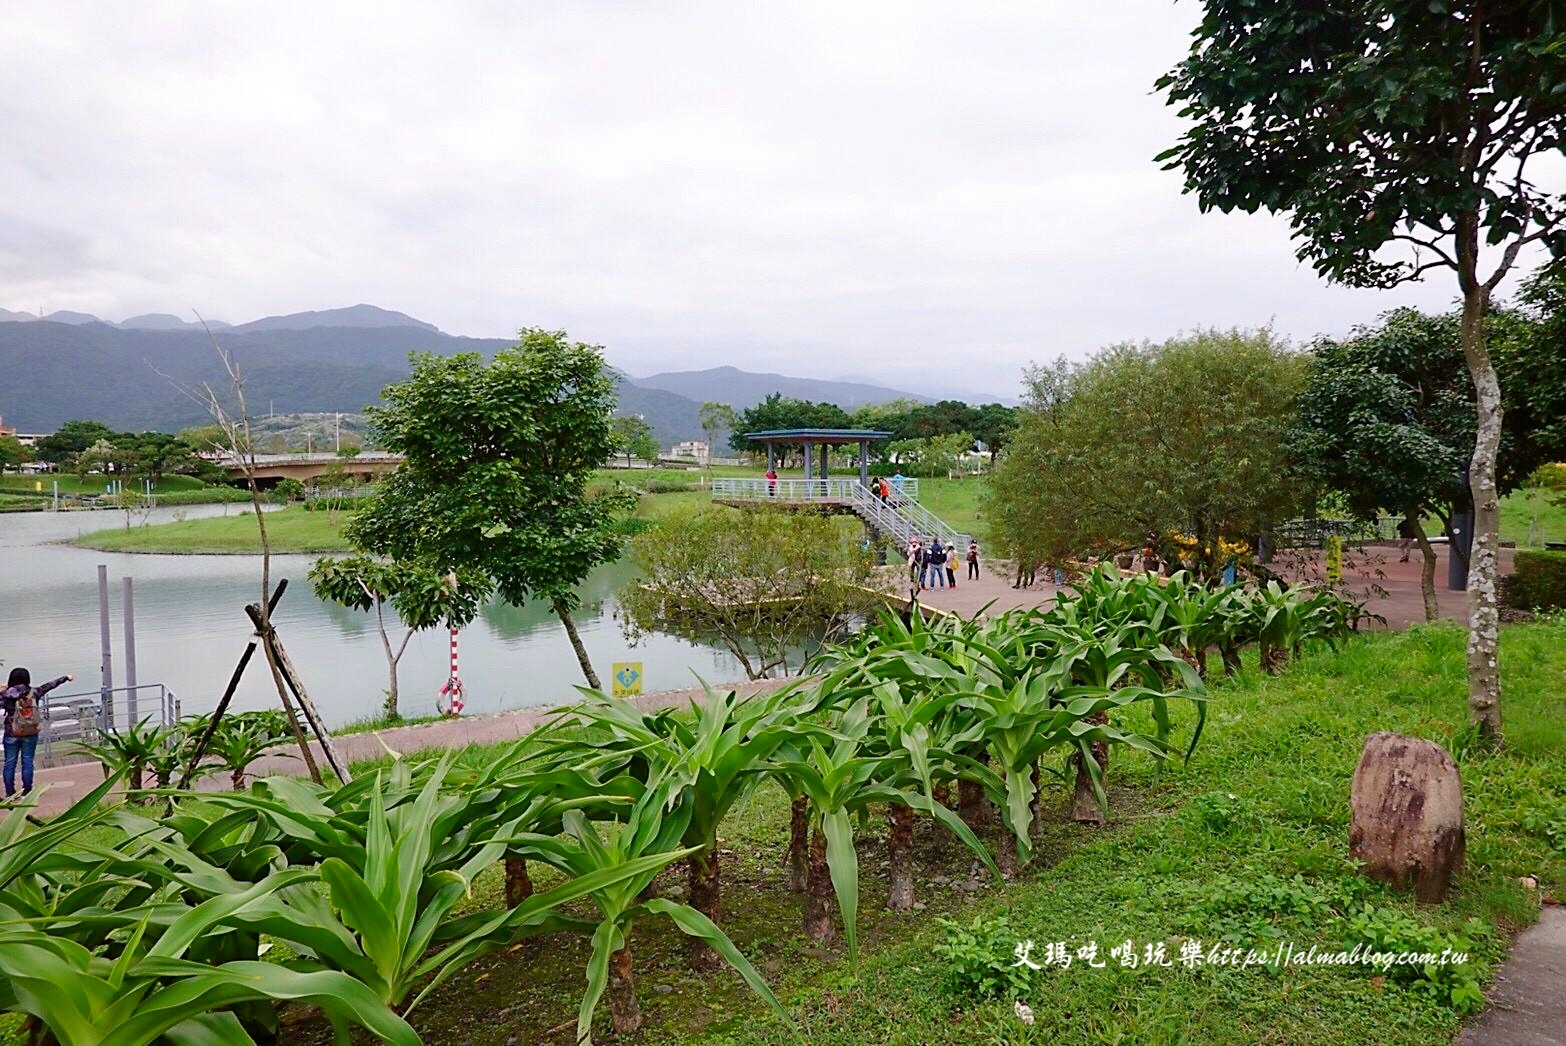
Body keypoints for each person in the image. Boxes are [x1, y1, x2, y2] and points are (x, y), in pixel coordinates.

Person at [3, 667, 73, 799]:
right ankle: (27, 792)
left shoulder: (6, 695)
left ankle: (10, 793)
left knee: (10, 763)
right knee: (28, 761)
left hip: (12, 733)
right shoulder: (34, 692)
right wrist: (65, 678)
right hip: (31, 732)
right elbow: (50, 685)